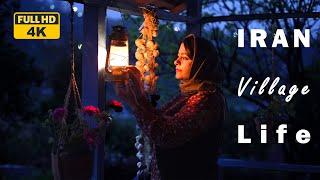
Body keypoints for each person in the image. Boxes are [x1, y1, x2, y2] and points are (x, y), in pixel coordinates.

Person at [114, 34, 226, 180]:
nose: (176, 61)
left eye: (184, 58)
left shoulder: (206, 100)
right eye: (178, 56)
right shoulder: (187, 96)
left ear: (201, 64)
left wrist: (138, 100)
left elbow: (165, 134)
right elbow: (157, 121)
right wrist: (134, 97)